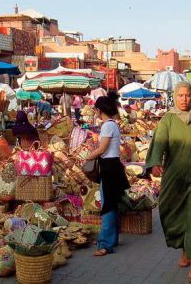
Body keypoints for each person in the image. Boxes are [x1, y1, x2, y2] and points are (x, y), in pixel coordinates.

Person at [146, 81, 191, 282]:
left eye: (187, 95)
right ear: (175, 96)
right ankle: (185, 249)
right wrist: (154, 163)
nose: (184, 99)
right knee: (170, 212)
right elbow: (159, 142)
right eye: (180, 95)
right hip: (175, 177)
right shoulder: (168, 119)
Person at [85, 91, 130, 256]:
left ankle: (105, 244)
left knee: (107, 206)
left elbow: (102, 148)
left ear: (99, 110)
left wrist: (88, 156)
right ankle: (112, 239)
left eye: (96, 110)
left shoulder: (107, 125)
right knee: (112, 204)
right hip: (113, 166)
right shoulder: (113, 124)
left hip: (109, 167)